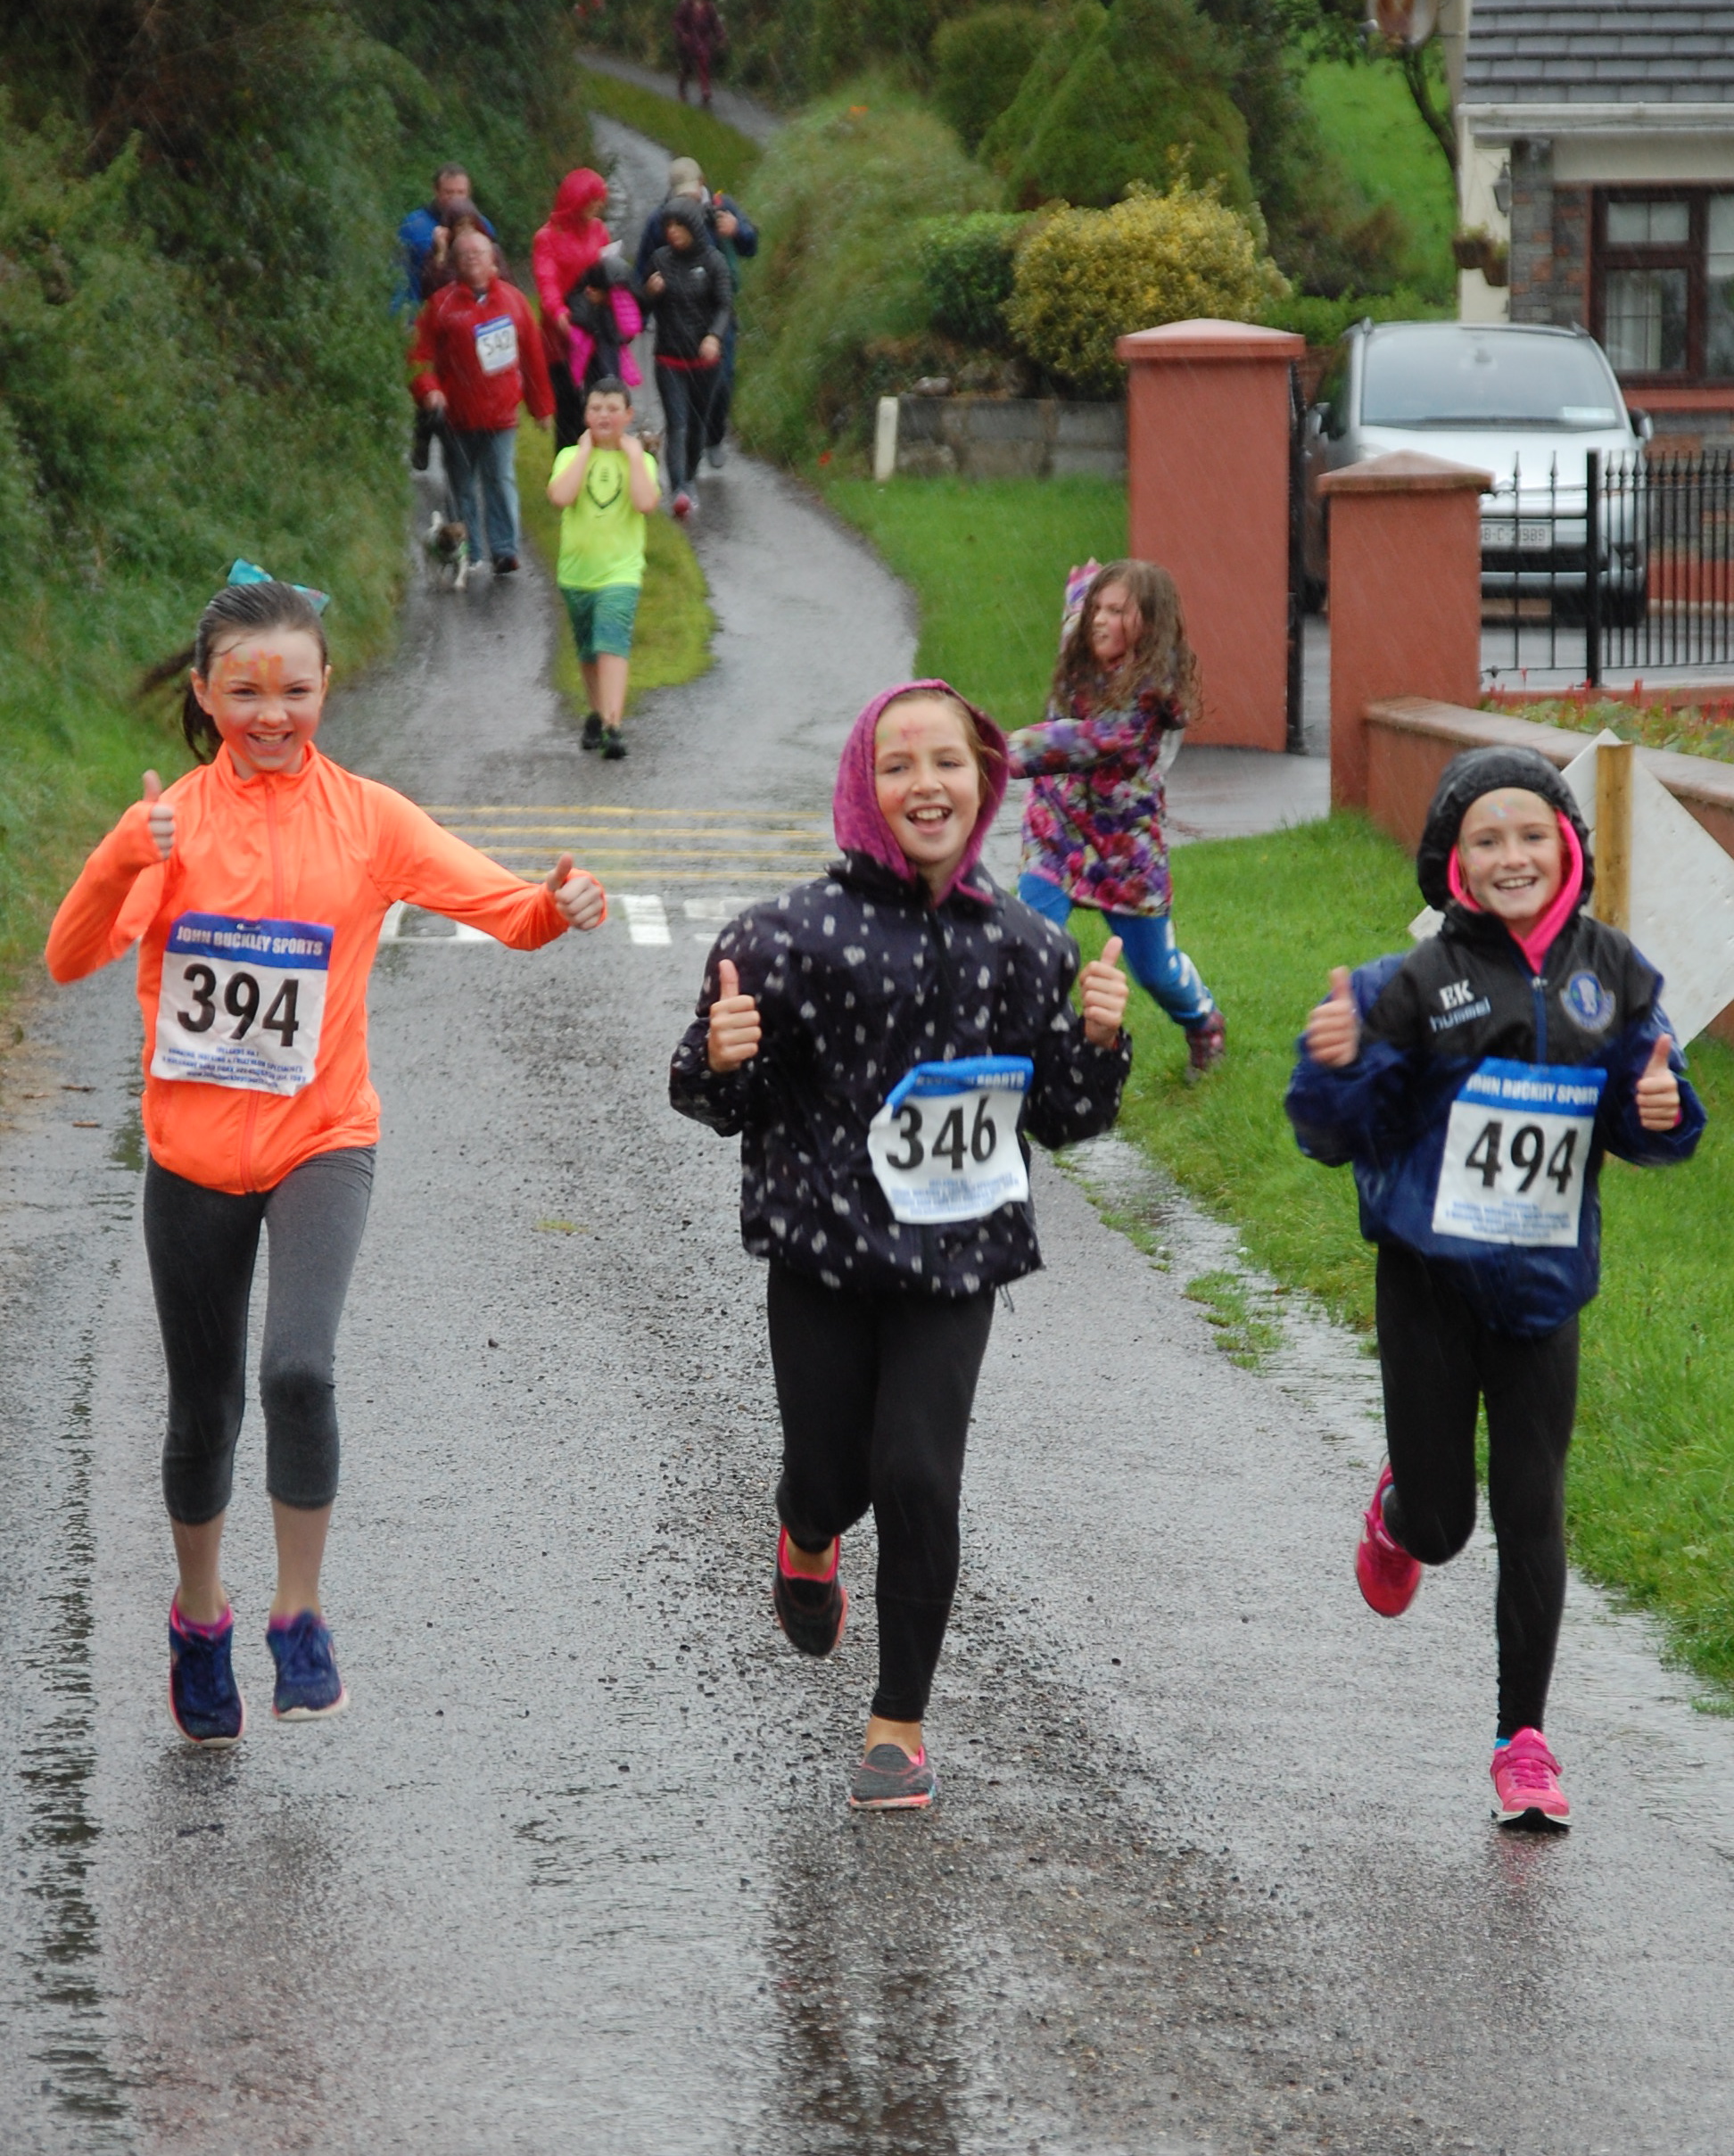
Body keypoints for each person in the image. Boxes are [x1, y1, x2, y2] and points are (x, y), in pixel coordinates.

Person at [45, 575, 607, 1747]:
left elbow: (503, 909)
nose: (272, 713)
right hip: (193, 1155)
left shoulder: (369, 818)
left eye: (294, 690)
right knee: (203, 1411)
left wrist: (559, 903)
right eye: (247, 692)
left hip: (322, 1138)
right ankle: (200, 1619)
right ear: (207, 694)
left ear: (326, 689)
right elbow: (67, 957)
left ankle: (298, 1616)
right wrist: (119, 853)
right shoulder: (170, 824)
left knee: (298, 1369)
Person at [669, 681, 1131, 1810]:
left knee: (918, 1476)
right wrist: (722, 1055)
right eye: (898, 765)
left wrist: (1099, 1041)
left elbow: (1063, 1117)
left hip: (955, 1260)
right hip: (823, 1257)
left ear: (985, 782)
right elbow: (711, 1098)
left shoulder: (1026, 946)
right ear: (860, 788)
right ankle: (806, 1532)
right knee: (833, 1477)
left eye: (949, 763)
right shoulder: (785, 938)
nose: (926, 785)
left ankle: (899, 1723)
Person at [1286, 747, 1705, 1830]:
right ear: (1453, 861)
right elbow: (1337, 1134)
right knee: (1444, 1526)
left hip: (1544, 1288)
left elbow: (1647, 1109)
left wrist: (1661, 1112)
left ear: (1567, 846)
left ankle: (1524, 1739)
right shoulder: (1411, 983)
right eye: (1487, 838)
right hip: (1427, 1280)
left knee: (1534, 1507)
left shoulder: (1614, 973)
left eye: (1531, 835)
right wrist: (1334, 1066)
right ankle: (1400, 1511)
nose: (1512, 855)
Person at [1006, 558, 1226, 1080]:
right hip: (1056, 829)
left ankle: (1203, 1022)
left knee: (1155, 970)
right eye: (1097, 609)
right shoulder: (1083, 642)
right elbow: (1078, 613)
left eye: (1117, 612)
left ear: (1149, 624)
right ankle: (1034, 1050)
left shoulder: (1149, 698)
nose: (1099, 621)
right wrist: (1082, 586)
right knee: (1032, 944)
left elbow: (1085, 740)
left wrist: (1000, 749)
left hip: (1124, 849)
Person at [409, 224, 553, 575]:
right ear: (455, 263)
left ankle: (505, 550)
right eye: (464, 254)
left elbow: (533, 357)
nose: (472, 259)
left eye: (479, 253)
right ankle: (467, 552)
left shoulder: (515, 302)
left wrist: (541, 407)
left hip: (502, 414)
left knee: (500, 479)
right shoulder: (440, 306)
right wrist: (429, 390)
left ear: (493, 261)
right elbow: (418, 357)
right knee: (461, 485)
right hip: (456, 417)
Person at [547, 377, 661, 758]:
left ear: (628, 415)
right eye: (596, 409)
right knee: (589, 651)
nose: (604, 416)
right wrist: (583, 453)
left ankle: (614, 725)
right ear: (586, 415)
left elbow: (645, 503)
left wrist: (634, 457)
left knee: (611, 641)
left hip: (620, 573)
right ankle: (596, 712)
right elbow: (560, 496)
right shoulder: (569, 456)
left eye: (613, 409)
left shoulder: (641, 462)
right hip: (577, 574)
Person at [633, 158, 757, 467]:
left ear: (702, 183)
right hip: (675, 317)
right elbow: (643, 268)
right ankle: (686, 456)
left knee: (722, 381)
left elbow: (751, 244)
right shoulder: (662, 220)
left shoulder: (722, 207)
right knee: (679, 392)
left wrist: (737, 231)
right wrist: (641, 313)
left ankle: (712, 437)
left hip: (716, 311)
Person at [641, 197, 731, 520]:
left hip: (705, 362)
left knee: (696, 425)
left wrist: (714, 336)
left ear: (693, 227)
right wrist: (649, 292)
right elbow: (639, 308)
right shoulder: (660, 260)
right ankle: (679, 488)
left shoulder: (714, 262)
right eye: (668, 226)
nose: (673, 232)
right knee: (677, 424)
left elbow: (724, 305)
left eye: (679, 225)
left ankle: (689, 477)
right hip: (669, 359)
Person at [531, 169, 613, 451]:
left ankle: (594, 464)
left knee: (597, 403)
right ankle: (568, 467)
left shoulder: (599, 230)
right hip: (561, 335)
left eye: (599, 202)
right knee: (569, 408)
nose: (597, 207)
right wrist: (558, 313)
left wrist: (605, 293)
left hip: (594, 328)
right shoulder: (547, 237)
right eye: (592, 202)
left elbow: (607, 270)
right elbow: (547, 281)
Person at [553, 257, 644, 453]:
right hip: (598, 368)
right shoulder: (593, 303)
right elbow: (627, 327)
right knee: (595, 406)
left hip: (599, 367)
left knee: (596, 407)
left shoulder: (596, 302)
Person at [397, 164, 497, 316]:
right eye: (449, 193)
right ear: (436, 191)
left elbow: (498, 273)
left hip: (478, 312)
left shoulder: (482, 226)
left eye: (461, 192)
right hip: (428, 310)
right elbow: (399, 274)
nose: (455, 199)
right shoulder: (413, 226)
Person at [673, 0, 723, 106]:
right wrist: (682, 33)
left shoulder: (709, 8)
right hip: (689, 41)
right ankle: (682, 89)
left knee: (704, 64)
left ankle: (705, 91)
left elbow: (715, 24)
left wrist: (720, 37)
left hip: (703, 41)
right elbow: (678, 21)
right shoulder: (686, 5)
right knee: (687, 68)